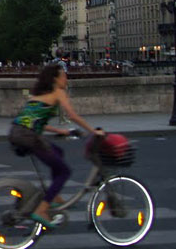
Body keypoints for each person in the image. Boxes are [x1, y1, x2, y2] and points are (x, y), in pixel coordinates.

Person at [8, 64, 105, 228]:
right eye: (63, 76)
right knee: (64, 171)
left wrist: (61, 131)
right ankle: (42, 209)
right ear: (55, 79)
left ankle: (54, 196)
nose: (66, 78)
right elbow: (72, 115)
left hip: (18, 133)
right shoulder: (58, 92)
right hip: (29, 137)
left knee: (57, 151)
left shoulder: (39, 95)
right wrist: (93, 131)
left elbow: (35, 121)